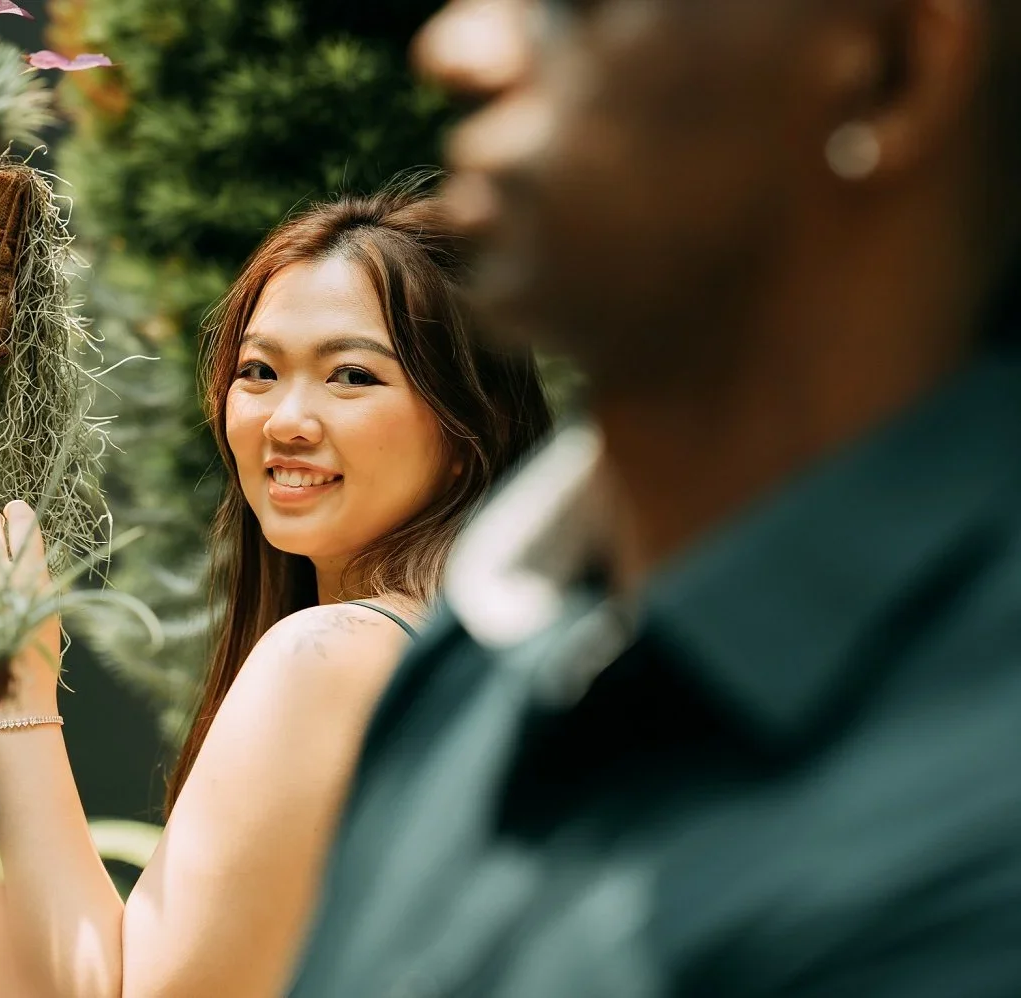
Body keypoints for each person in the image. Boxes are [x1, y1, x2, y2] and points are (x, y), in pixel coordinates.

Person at [289, 0, 1021, 995]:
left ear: (888, 67)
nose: (456, 48)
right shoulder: (475, 662)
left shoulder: (977, 820)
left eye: (575, 8)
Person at [0, 184, 551, 997]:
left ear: (469, 430)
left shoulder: (328, 656)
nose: (285, 418)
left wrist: (16, 695)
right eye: (258, 370)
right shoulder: (476, 660)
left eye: (352, 376)